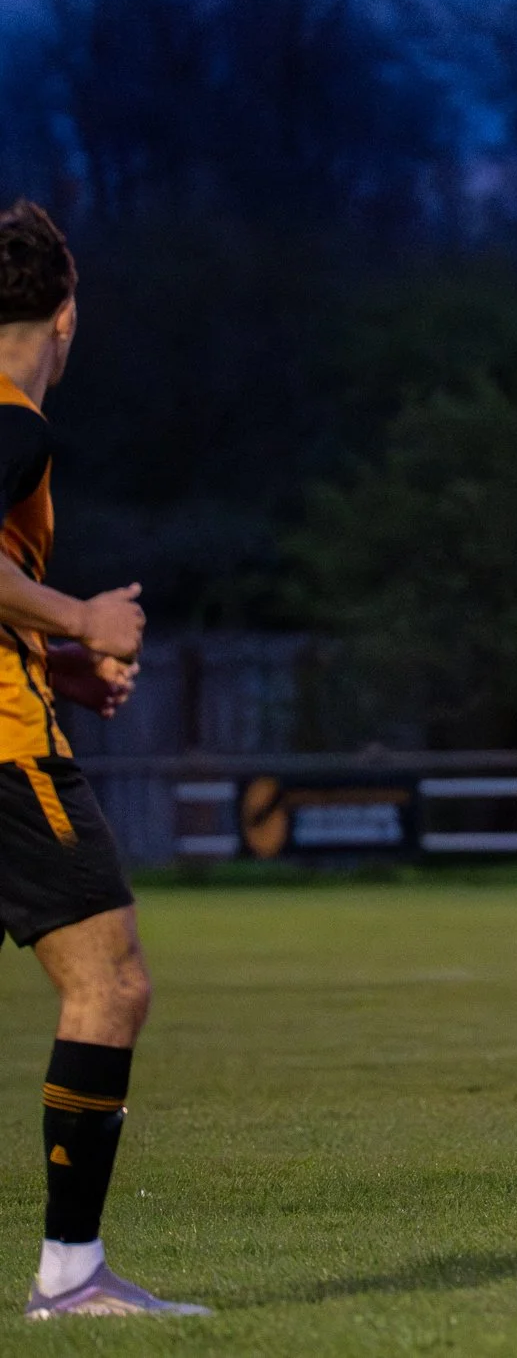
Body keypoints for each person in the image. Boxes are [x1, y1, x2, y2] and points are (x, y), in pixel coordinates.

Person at [0, 200, 209, 1318]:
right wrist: (80, 616)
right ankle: (72, 1275)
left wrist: (57, 657)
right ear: (66, 315)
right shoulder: (14, 423)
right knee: (110, 982)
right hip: (5, 757)